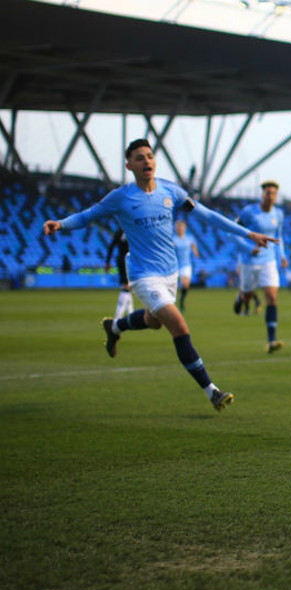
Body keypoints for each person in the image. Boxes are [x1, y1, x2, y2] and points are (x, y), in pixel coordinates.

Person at [43, 138, 277, 412]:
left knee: (153, 321)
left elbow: (208, 215)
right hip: (143, 275)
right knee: (178, 326)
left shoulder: (171, 191)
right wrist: (60, 223)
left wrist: (248, 234)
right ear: (129, 165)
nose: (147, 161)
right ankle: (212, 391)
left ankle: (115, 327)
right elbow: (87, 216)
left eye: (150, 156)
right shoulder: (121, 197)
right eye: (140, 158)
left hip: (170, 273)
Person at [234, 180, 288, 353]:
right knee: (248, 296)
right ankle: (242, 297)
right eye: (267, 193)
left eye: (273, 194)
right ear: (262, 195)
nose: (270, 196)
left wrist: (283, 256)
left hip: (269, 261)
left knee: (271, 297)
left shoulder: (278, 214)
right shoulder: (249, 213)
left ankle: (271, 340)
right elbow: (232, 232)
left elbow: (279, 236)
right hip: (249, 262)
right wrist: (249, 249)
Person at [104, 227, 133, 318]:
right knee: (126, 287)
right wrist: (107, 262)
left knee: (129, 287)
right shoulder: (127, 230)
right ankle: (118, 317)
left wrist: (108, 262)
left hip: (127, 260)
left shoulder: (122, 230)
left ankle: (130, 314)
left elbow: (111, 246)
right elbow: (112, 246)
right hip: (126, 260)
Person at [172, 219, 199, 311]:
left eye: (181, 227)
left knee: (185, 285)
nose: (180, 229)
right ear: (176, 228)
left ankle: (182, 301)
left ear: (185, 228)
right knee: (172, 286)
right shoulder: (173, 239)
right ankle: (171, 303)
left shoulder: (189, 238)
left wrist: (195, 252)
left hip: (186, 265)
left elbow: (194, 246)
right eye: (178, 227)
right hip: (175, 266)